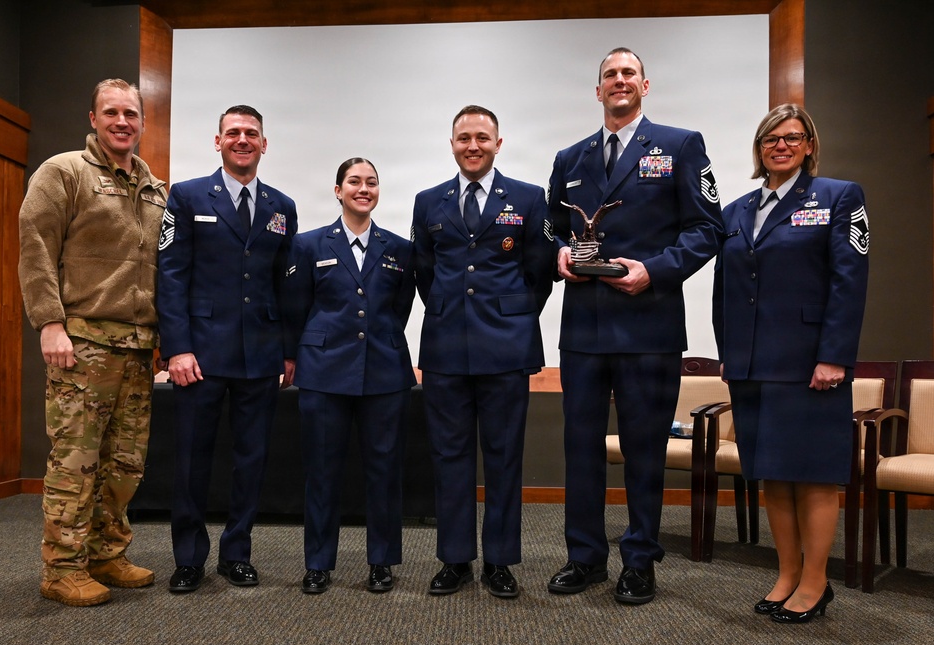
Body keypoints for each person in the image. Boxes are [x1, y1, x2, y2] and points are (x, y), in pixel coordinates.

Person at [546, 47, 723, 605]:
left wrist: (656, 270)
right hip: (584, 330)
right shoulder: (570, 158)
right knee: (580, 448)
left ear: (645, 85)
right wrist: (559, 254)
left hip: (649, 325)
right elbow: (551, 229)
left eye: (628, 73)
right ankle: (585, 556)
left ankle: (640, 559)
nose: (619, 80)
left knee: (644, 449)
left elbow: (707, 229)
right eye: (609, 75)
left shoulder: (680, 146)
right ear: (597, 90)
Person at [713, 103, 868, 623]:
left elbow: (849, 282)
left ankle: (816, 582)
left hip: (809, 366)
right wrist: (729, 354)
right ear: (759, 148)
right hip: (752, 366)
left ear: (809, 145)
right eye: (770, 139)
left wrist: (834, 357)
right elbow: (725, 290)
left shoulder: (838, 197)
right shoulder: (735, 210)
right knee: (773, 476)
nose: (781, 146)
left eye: (792, 137)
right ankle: (786, 574)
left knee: (814, 476)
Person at [18, 78, 165, 606]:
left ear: (142, 122)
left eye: (131, 113)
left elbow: (164, 265)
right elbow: (36, 246)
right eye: (111, 112)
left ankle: (106, 554)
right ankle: (61, 568)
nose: (122, 122)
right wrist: (49, 323)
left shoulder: (156, 189)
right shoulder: (64, 172)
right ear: (93, 118)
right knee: (75, 461)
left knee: (124, 464)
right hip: (82, 342)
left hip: (137, 347)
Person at [412, 105, 554, 599]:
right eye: (463, 138)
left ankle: (499, 560)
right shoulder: (428, 201)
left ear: (498, 143)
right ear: (452, 144)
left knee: (504, 456)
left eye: (482, 137)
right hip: (446, 347)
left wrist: (510, 317)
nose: (472, 146)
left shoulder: (529, 198)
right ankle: (455, 559)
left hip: (506, 348)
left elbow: (539, 271)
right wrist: (453, 313)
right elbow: (424, 272)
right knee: (449, 457)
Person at [157, 105, 298, 593]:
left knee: (251, 460)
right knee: (191, 460)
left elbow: (285, 284)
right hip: (200, 355)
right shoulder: (188, 195)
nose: (242, 139)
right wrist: (176, 348)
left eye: (251, 133)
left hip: (260, 354)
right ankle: (189, 558)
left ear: (264, 144)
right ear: (218, 141)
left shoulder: (282, 206)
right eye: (233, 132)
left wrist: (289, 351)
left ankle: (237, 553)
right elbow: (171, 275)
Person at [283, 158, 416, 594]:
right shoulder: (308, 245)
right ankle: (318, 563)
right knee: (322, 472)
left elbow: (399, 309)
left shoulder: (399, 249)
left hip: (384, 372)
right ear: (338, 190)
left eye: (371, 182)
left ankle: (382, 561)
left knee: (385, 471)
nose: (364, 189)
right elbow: (296, 306)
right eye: (354, 182)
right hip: (324, 372)